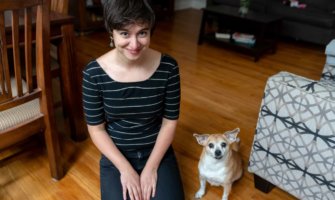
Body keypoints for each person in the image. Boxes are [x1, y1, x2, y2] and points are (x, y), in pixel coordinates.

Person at [82, 0, 185, 200]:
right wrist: (125, 169)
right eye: (125, 33)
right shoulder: (93, 73)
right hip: (116, 156)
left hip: (157, 152)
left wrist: (151, 168)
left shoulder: (169, 68)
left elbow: (169, 122)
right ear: (111, 32)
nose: (135, 44)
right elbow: (96, 129)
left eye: (142, 33)